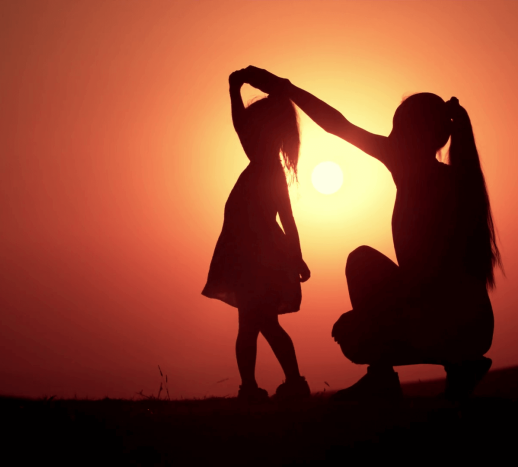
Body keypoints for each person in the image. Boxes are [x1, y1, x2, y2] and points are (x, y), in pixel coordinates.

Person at [245, 66, 501, 402]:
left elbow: (337, 125)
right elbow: (338, 124)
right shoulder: (453, 180)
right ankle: (458, 368)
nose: (390, 134)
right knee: (359, 310)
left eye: (397, 126)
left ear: (414, 135)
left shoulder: (415, 171)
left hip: (450, 323)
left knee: (358, 303)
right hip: (475, 327)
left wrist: (286, 87)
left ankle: (388, 376)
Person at [201, 68, 312, 402]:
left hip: (255, 258)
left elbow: (288, 220)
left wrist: (235, 88)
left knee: (256, 325)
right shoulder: (266, 167)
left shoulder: (266, 169)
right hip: (251, 256)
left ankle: (275, 385)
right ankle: (277, 384)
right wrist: (296, 256)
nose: (247, 133)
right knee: (257, 325)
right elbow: (289, 221)